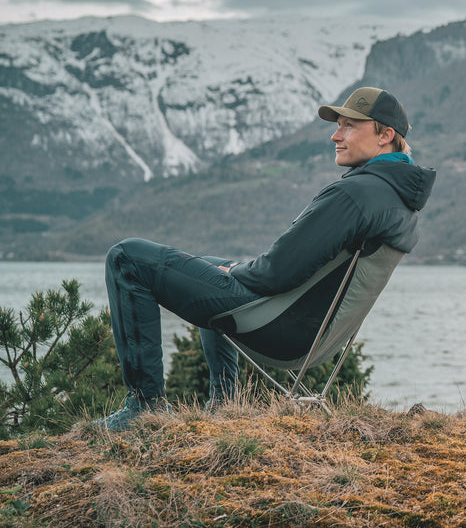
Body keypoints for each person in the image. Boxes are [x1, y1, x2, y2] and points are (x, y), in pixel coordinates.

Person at [96, 87, 435, 430]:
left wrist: (238, 271)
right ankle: (224, 404)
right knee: (213, 263)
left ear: (385, 135)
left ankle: (145, 407)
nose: (335, 135)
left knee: (127, 257)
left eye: (349, 126)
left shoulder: (356, 194)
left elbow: (276, 272)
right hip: (316, 339)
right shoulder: (399, 202)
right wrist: (233, 270)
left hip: (280, 330)